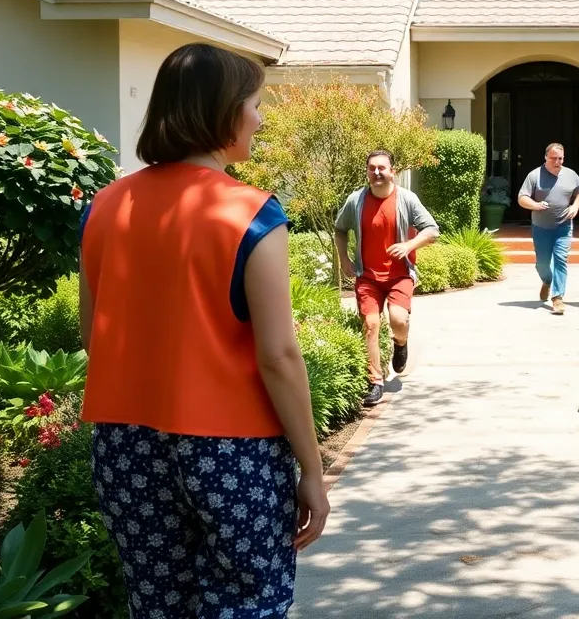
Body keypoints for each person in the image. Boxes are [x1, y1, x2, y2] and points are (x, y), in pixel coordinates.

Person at [79, 43, 328, 618]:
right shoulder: (252, 213)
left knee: (156, 605)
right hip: (232, 450)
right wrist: (312, 470)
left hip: (125, 446)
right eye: (255, 104)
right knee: (246, 603)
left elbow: (94, 336)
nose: (260, 119)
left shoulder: (104, 205)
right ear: (224, 113)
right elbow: (279, 356)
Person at [335, 149, 440, 407]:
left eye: (382, 167)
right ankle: (376, 382)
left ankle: (400, 342)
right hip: (367, 277)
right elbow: (340, 229)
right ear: (368, 172)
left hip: (399, 274)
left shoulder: (406, 199)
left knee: (398, 319)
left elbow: (432, 230)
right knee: (371, 324)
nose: (377, 172)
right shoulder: (356, 200)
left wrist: (409, 246)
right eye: (372, 168)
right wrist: (345, 260)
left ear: (393, 171)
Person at [518, 142, 579, 315]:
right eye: (554, 158)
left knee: (561, 259)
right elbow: (522, 197)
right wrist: (535, 205)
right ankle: (547, 281)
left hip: (563, 226)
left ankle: (557, 297)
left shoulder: (571, 175)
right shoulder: (535, 176)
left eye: (560, 158)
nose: (557, 161)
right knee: (542, 264)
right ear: (546, 157)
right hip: (541, 227)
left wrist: (575, 206)